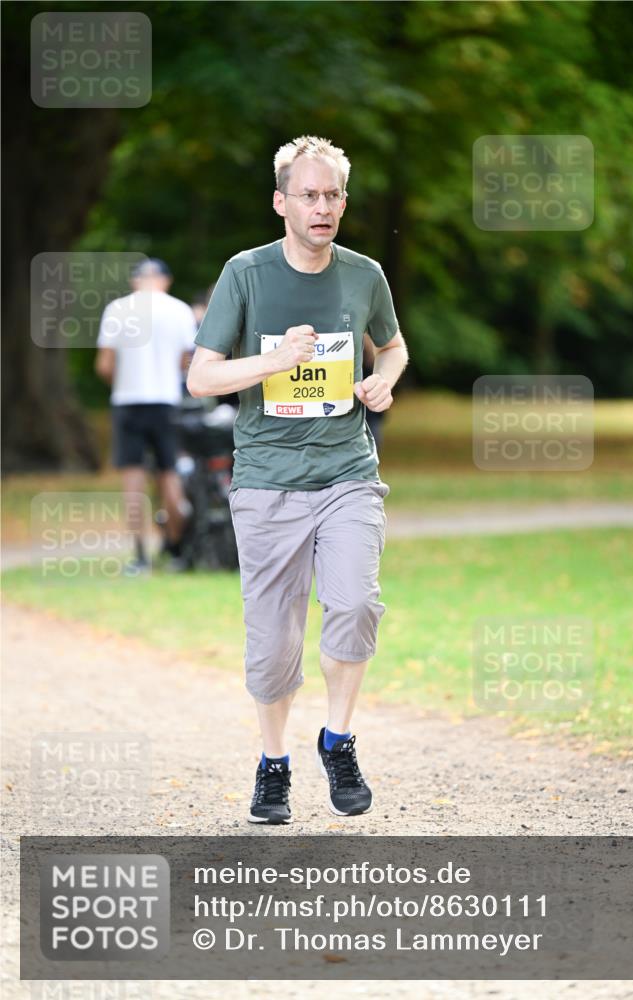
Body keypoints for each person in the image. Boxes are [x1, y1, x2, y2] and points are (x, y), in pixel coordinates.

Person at [187, 135, 409, 824]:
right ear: (280, 201)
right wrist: (274, 360)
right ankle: (273, 764)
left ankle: (337, 739)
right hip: (266, 482)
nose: (322, 207)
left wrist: (381, 381)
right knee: (273, 637)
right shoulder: (245, 275)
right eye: (308, 195)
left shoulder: (363, 274)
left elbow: (394, 346)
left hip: (345, 471)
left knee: (353, 603)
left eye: (333, 195)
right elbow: (200, 378)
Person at [95, 258, 198, 572]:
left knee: (133, 481)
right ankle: (177, 550)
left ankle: (140, 557)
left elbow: (104, 365)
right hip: (166, 402)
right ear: (165, 280)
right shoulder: (180, 310)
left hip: (128, 402)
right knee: (170, 474)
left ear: (135, 281)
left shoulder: (117, 309)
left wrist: (121, 383)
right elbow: (186, 362)